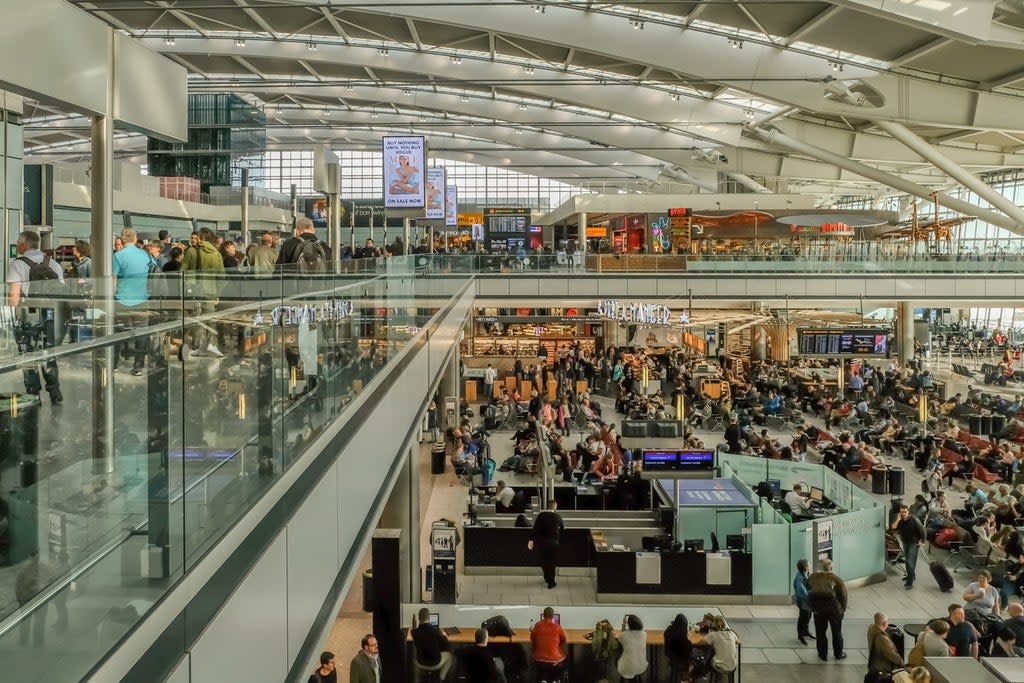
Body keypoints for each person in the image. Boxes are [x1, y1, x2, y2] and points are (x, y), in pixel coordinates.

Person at [8, 230, 66, 405]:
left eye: (18, 242)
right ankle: (55, 392)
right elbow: (62, 293)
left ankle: (33, 395)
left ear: (25, 245)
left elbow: (14, 296)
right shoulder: (54, 264)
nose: (17, 245)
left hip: (29, 315)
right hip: (50, 315)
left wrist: (12, 314)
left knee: (28, 356)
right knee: (49, 354)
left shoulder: (17, 264)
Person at [111, 226, 155, 376]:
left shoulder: (118, 255)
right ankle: (138, 366)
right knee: (141, 334)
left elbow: (113, 279)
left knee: (117, 333)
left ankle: (113, 364)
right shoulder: (146, 255)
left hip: (121, 299)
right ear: (135, 239)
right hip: (141, 299)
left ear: (122, 240)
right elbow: (154, 271)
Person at [806, 558, 848, 661]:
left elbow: (807, 588)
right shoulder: (836, 580)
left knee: (820, 632)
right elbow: (843, 596)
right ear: (831, 567)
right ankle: (838, 654)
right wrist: (842, 609)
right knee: (836, 632)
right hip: (834, 610)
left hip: (818, 610)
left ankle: (822, 654)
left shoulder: (813, 577)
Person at [528, 500, 564, 588]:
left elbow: (535, 528)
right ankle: (551, 582)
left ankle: (547, 577)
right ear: (554, 506)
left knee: (544, 561)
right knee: (552, 563)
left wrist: (531, 540)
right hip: (553, 543)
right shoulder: (558, 516)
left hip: (542, 543)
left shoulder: (541, 515)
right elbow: (562, 528)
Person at [411, 606, 453, 680]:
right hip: (434, 663)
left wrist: (414, 625)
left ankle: (417, 680)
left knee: (414, 655)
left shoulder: (414, 632)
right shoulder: (436, 630)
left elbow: (414, 629)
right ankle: (441, 678)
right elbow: (447, 645)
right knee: (450, 656)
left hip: (420, 662)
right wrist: (442, 635)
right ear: (429, 617)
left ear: (419, 618)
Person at [891, 504, 926, 589]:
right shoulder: (900, 520)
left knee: (911, 563)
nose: (903, 513)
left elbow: (922, 530)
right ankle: (911, 576)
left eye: (905, 512)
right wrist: (898, 519)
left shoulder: (914, 520)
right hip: (905, 543)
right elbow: (893, 527)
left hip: (914, 543)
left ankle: (909, 582)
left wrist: (923, 541)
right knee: (907, 561)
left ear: (908, 512)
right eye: (902, 512)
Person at [530, 607, 566, 682]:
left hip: (539, 659)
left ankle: (543, 680)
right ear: (553, 616)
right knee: (565, 659)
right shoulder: (557, 627)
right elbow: (563, 640)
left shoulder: (537, 625)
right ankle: (556, 680)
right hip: (554, 659)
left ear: (543, 616)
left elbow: (533, 639)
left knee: (541, 667)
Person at [866, 612, 903, 681]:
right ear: (885, 623)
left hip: (873, 665)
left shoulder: (871, 629)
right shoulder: (882, 638)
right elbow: (891, 655)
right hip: (881, 669)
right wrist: (901, 662)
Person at [703, 614, 739, 680]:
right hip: (733, 665)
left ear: (714, 624)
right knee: (719, 651)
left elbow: (703, 641)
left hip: (720, 667)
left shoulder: (713, 635)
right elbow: (738, 641)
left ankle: (705, 674)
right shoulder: (731, 633)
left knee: (709, 654)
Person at [616, 614, 648, 681]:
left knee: (617, 656)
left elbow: (621, 637)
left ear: (628, 624)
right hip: (641, 667)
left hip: (626, 668)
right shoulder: (644, 634)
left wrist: (623, 624)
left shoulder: (624, 635)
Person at [663, 613, 692, 683]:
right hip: (681, 661)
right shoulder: (683, 638)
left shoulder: (669, 630)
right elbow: (688, 650)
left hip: (671, 657)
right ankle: (687, 679)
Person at [793, 559, 814, 645]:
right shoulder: (800, 577)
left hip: (808, 601)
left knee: (808, 616)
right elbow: (801, 591)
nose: (810, 565)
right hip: (804, 601)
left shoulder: (806, 574)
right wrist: (809, 598)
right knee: (803, 617)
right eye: (808, 564)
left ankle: (806, 632)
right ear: (806, 567)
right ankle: (800, 635)